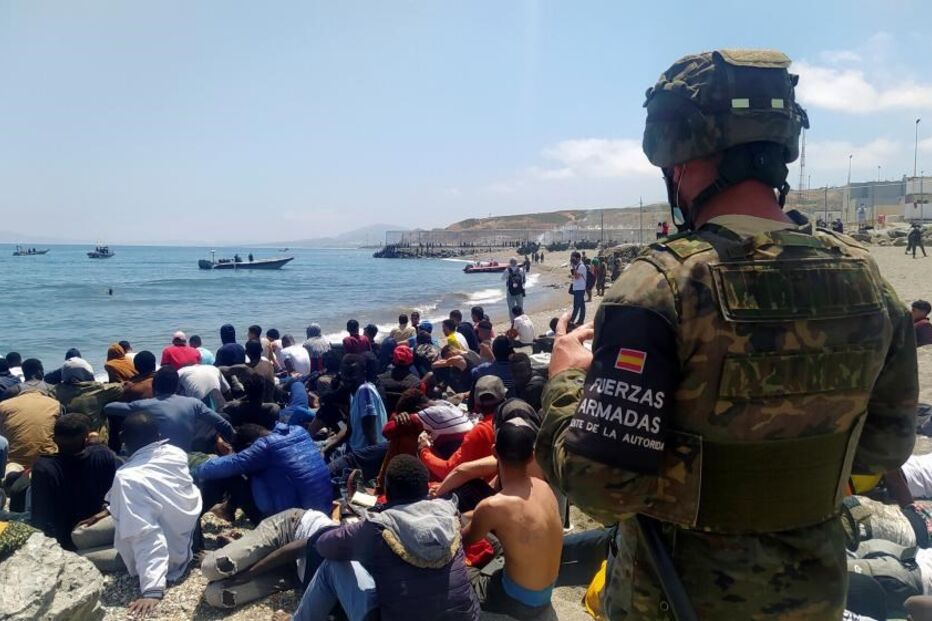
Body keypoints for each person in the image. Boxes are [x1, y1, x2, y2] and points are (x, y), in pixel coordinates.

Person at [536, 49, 918, 619]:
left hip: (677, 598)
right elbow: (886, 446)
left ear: (680, 158)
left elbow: (602, 489)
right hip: (812, 595)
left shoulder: (659, 288)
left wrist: (566, 383)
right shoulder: (866, 280)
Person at [289, 455, 479, 621]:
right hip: (466, 617)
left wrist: (357, 531)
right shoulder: (448, 513)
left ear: (387, 491)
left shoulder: (377, 529)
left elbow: (324, 546)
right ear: (426, 487)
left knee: (333, 565)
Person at [99, 412, 202, 616]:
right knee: (84, 534)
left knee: (79, 546)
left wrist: (152, 589)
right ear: (158, 435)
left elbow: (146, 534)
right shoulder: (175, 453)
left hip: (168, 554)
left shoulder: (128, 477)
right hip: (183, 534)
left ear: (122, 437)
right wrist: (108, 509)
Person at [464, 418, 562, 620]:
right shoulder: (543, 487)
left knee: (461, 572)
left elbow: (463, 542)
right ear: (531, 457)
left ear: (494, 452)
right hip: (545, 593)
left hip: (514, 599)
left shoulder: (492, 506)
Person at [201, 508, 336, 609]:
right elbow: (292, 551)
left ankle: (243, 553)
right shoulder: (345, 544)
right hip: (290, 532)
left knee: (216, 596)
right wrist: (249, 574)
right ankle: (242, 549)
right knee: (212, 567)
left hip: (294, 575)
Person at [196, 423, 332, 518]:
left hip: (295, 521)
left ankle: (193, 520)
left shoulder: (265, 447)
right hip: (323, 511)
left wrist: (191, 468)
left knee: (228, 476)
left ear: (250, 446)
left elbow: (211, 469)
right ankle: (227, 509)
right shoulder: (298, 431)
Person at [29, 413, 120, 550]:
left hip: (63, 539)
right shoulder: (103, 455)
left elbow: (41, 515)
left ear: (54, 440)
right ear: (86, 439)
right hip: (95, 531)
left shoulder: (44, 467)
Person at [104, 367, 234, 452]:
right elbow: (222, 423)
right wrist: (235, 442)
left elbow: (109, 408)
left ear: (154, 386)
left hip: (156, 458)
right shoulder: (194, 403)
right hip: (186, 455)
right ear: (177, 386)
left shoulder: (143, 405)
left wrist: (122, 388)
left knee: (123, 449)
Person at [419, 376, 505, 481]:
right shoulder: (513, 419)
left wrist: (424, 450)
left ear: (476, 403)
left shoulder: (480, 431)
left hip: (485, 491)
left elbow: (449, 471)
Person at [0, 359, 63, 469]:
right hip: (47, 459)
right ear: (40, 372)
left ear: (24, 373)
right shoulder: (52, 389)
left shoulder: (13, 390)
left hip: (12, 462)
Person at [378, 345, 421, 412]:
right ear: (411, 362)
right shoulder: (416, 383)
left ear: (393, 360)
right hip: (406, 420)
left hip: (385, 419)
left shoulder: (379, 380)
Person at [569, 251, 587, 325]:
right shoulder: (577, 266)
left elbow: (576, 276)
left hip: (580, 288)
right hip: (578, 288)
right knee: (582, 305)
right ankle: (581, 321)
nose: (572, 260)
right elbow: (575, 276)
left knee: (576, 306)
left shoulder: (581, 266)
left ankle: (571, 321)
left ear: (578, 258)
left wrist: (573, 267)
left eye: (573, 258)